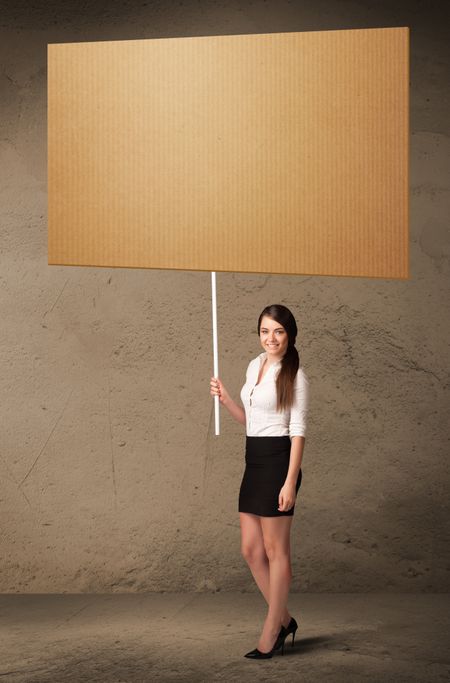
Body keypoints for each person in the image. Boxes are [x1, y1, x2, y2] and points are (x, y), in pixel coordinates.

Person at [210, 304, 309, 660]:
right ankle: (284, 619)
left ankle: (272, 628)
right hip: (253, 462)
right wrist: (226, 399)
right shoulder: (254, 366)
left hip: (279, 464)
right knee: (251, 550)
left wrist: (289, 481)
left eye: (279, 331)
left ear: (290, 335)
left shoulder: (295, 376)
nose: (271, 338)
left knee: (275, 551)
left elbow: (297, 432)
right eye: (266, 331)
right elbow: (251, 422)